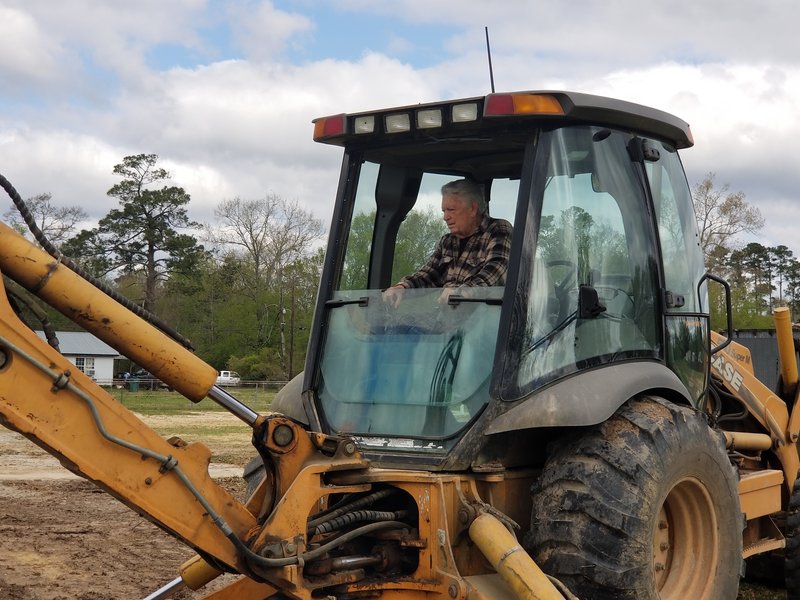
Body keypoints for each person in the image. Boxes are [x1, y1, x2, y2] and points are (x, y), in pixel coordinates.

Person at [383, 179, 512, 306]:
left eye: (451, 210)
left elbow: (495, 270)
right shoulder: (447, 241)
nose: (445, 217)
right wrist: (402, 287)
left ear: (472, 209)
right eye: (444, 211)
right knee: (393, 326)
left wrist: (462, 292)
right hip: (445, 321)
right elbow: (429, 275)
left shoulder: (498, 229)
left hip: (484, 322)